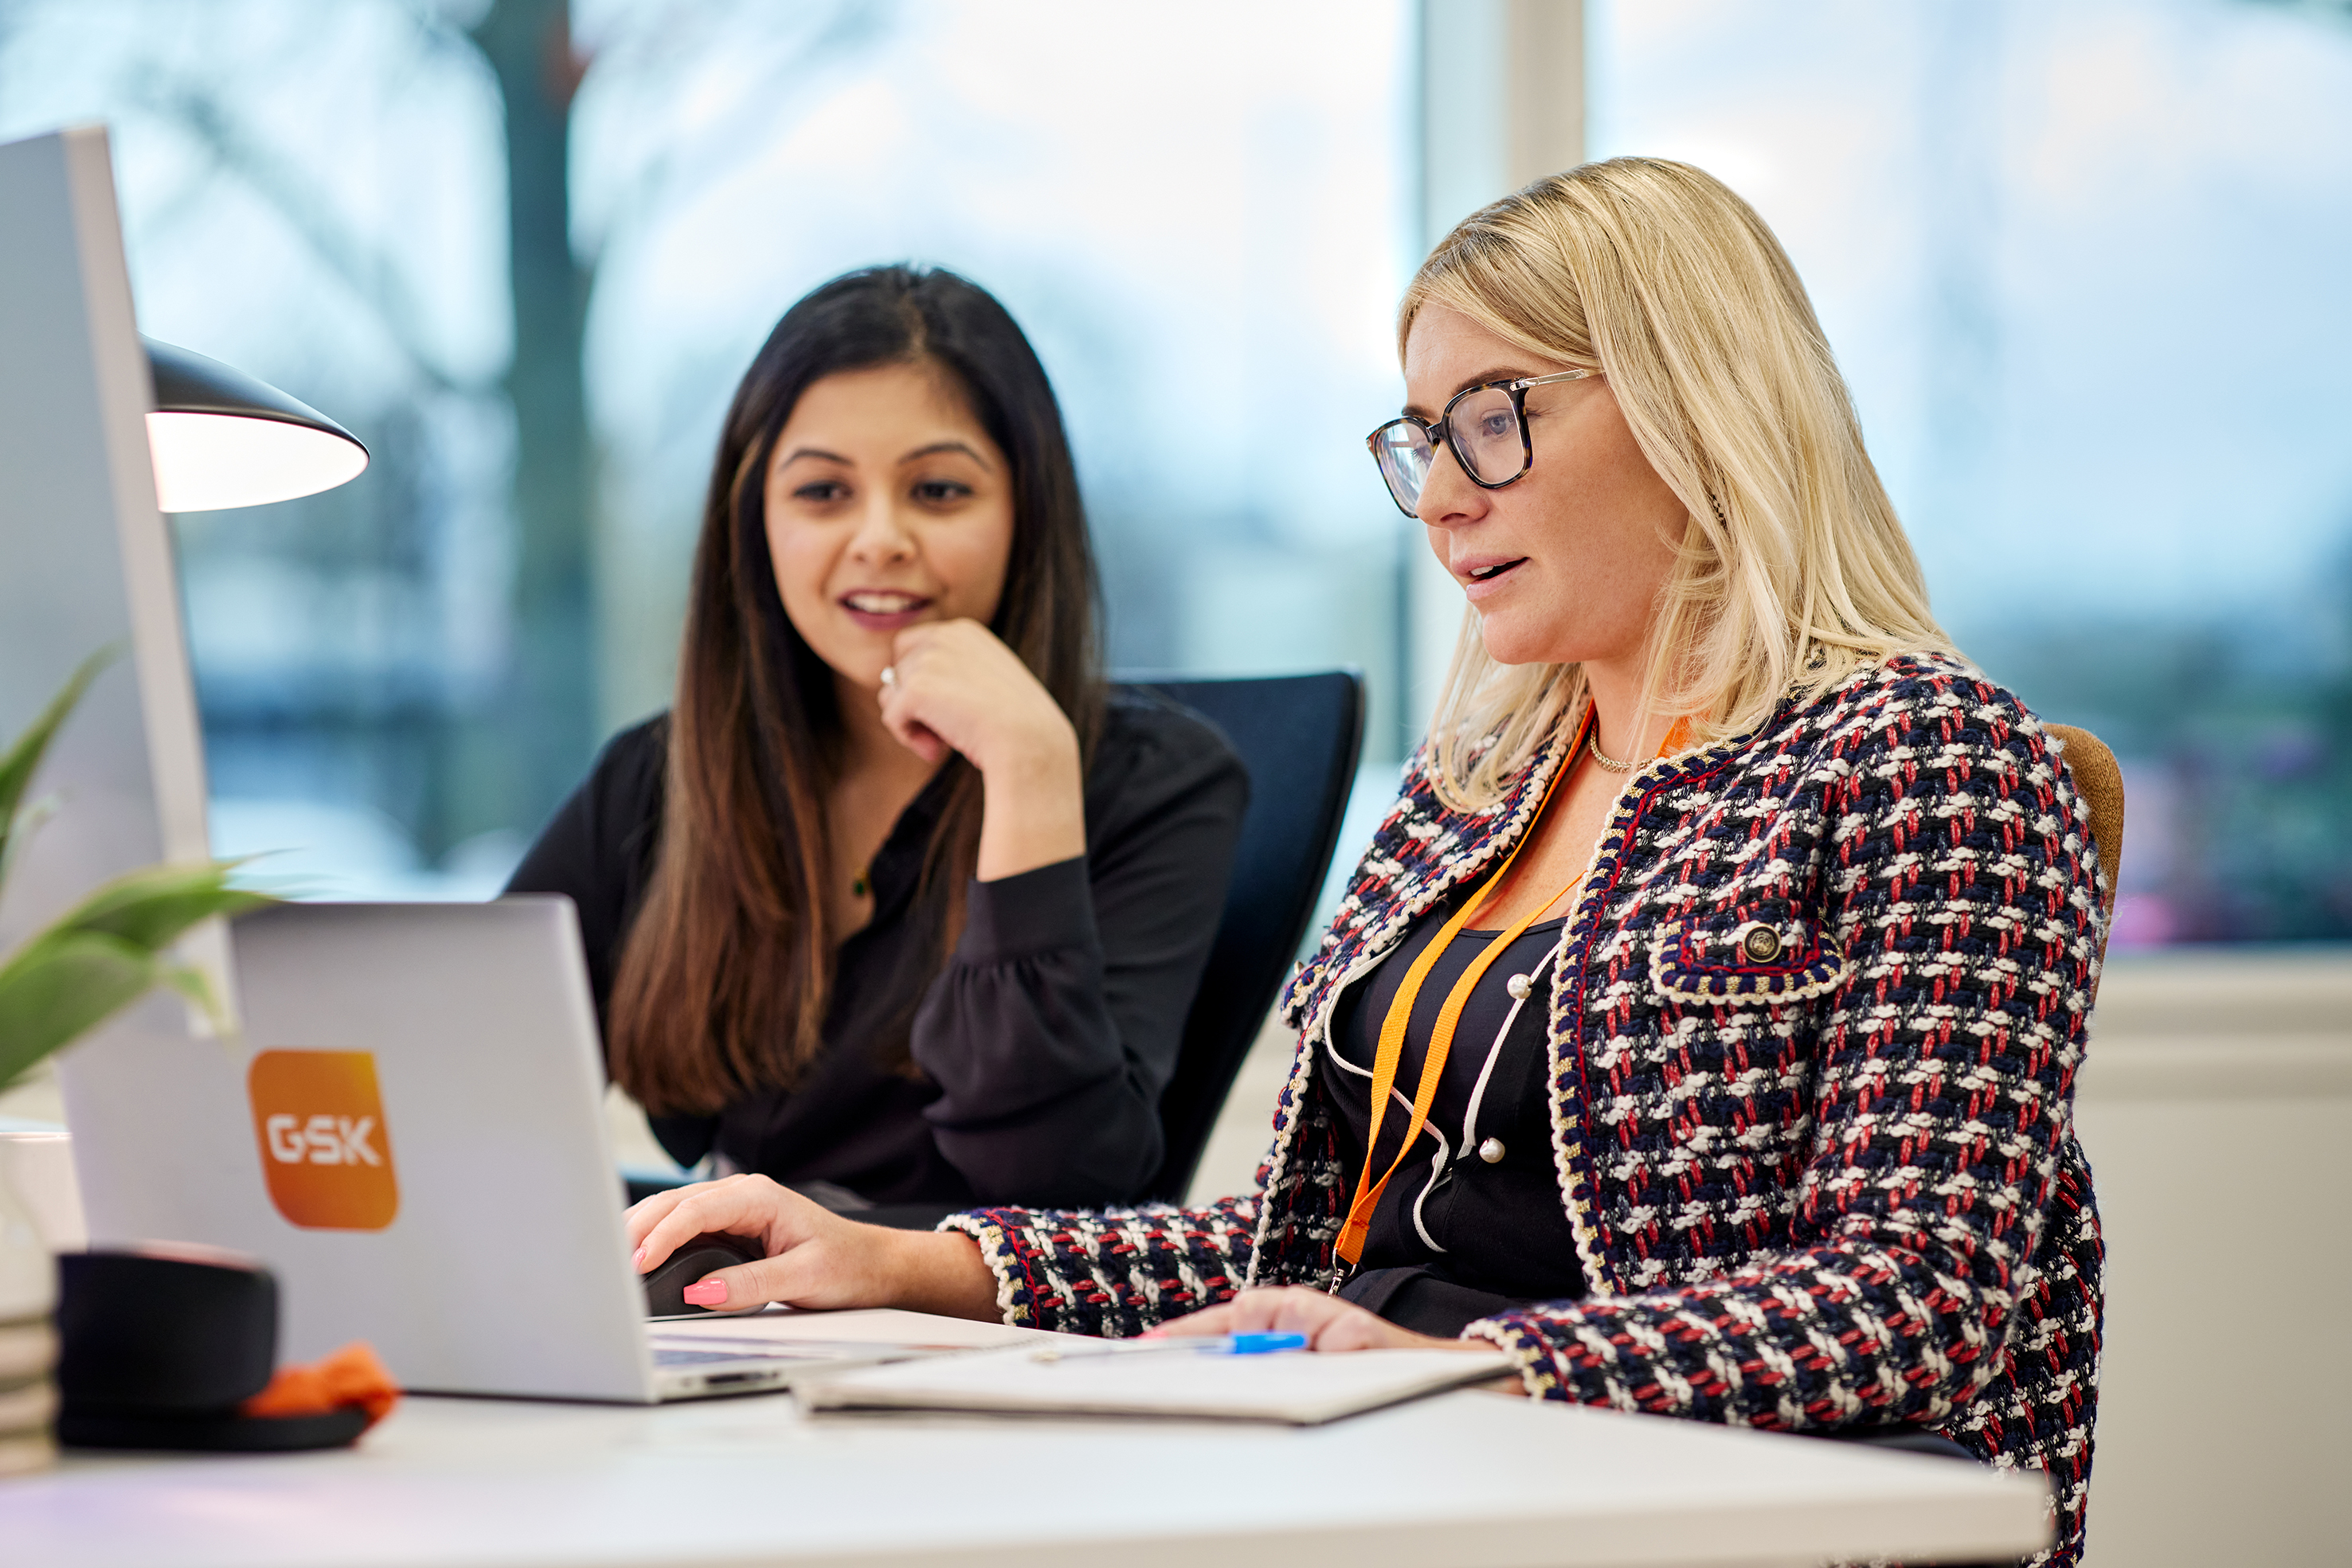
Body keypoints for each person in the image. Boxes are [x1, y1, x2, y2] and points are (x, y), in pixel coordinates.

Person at [624, 162, 2105, 1566]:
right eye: (1420, 436)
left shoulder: (1924, 756)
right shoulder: (1476, 789)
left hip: (1645, 1498)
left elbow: (1921, 1295)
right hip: (1387, 1465)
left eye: (1492, 418)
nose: (1444, 493)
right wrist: (911, 1261)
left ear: (1695, 407)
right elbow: (1292, 1259)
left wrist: (1463, 1371)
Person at [510, 265, 1247, 1210]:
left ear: (1026, 515)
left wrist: (1027, 771)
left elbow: (1061, 1188)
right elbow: (463, 1062)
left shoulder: (1157, 784)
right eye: (822, 493)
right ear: (755, 524)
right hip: (731, 1325)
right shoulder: (662, 776)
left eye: (938, 490)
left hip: (979, 1345)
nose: (879, 538)